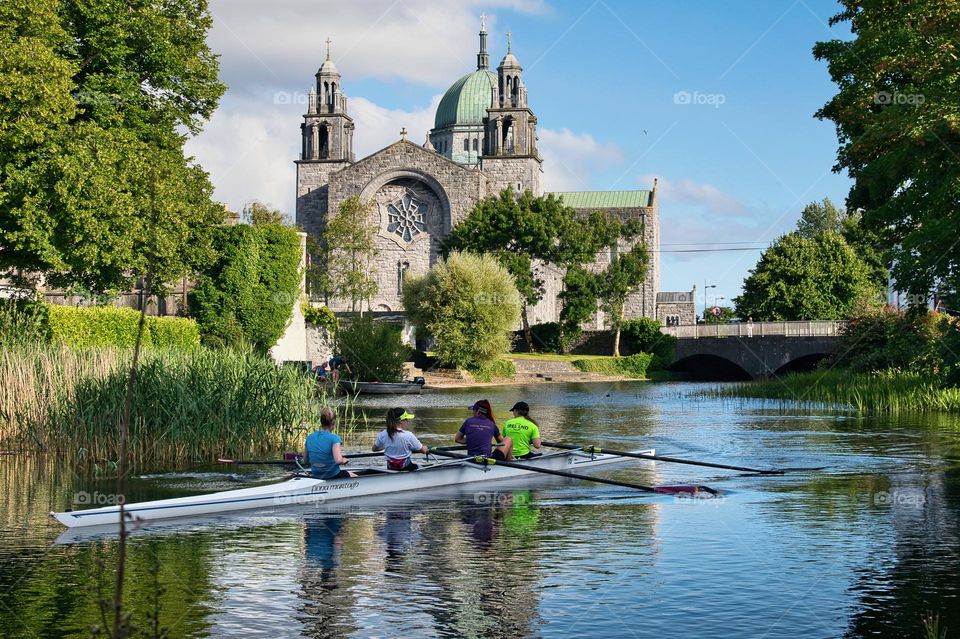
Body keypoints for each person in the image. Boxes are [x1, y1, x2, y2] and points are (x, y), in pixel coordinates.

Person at [303, 408, 356, 479]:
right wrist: (344, 460)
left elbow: (305, 461)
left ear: (321, 422)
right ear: (333, 423)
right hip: (332, 476)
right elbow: (338, 460)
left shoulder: (310, 437)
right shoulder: (335, 439)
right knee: (354, 476)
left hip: (316, 475)